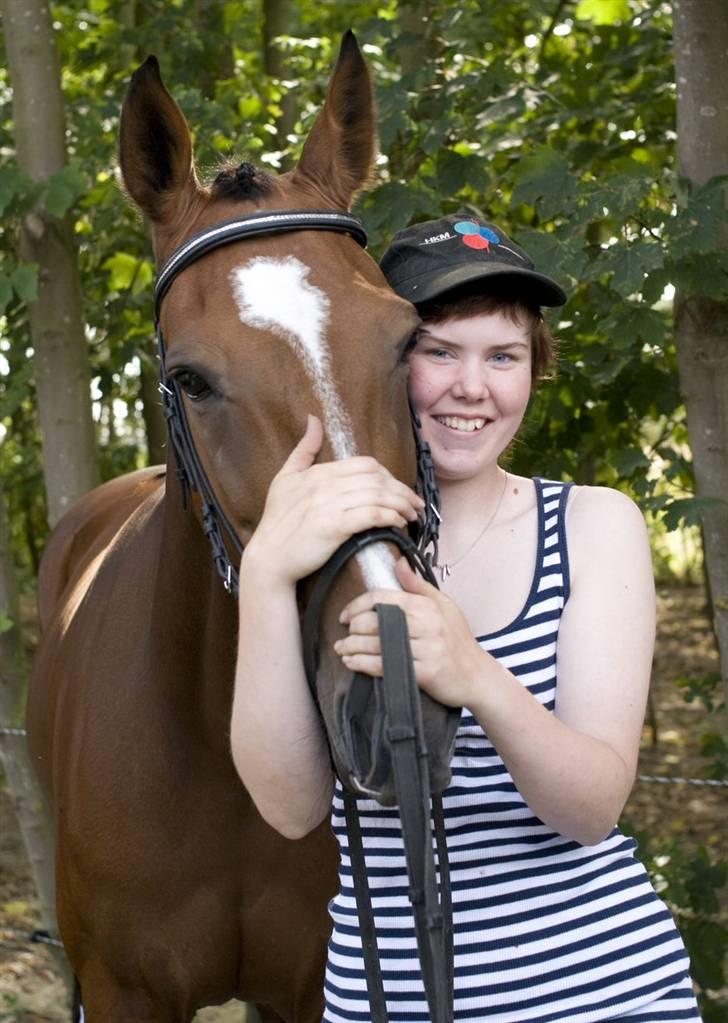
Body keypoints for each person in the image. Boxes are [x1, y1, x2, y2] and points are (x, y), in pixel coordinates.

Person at [231, 214, 702, 1022]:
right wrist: (268, 571)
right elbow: (290, 807)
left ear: (532, 372)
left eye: (504, 356)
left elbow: (592, 807)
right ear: (382, 360)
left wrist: (476, 672)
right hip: (386, 1003)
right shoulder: (313, 552)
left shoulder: (592, 524)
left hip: (602, 996)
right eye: (439, 350)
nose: (473, 387)